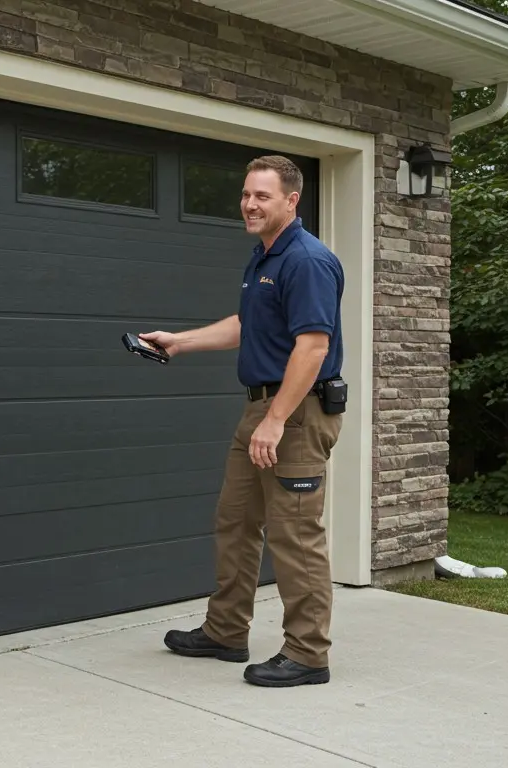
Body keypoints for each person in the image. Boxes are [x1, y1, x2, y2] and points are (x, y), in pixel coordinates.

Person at [140, 155, 345, 688]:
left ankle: (308, 654)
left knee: (295, 535)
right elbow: (246, 324)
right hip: (262, 409)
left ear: (291, 200)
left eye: (262, 196)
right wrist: (180, 342)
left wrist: (275, 420)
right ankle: (226, 630)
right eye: (246, 195)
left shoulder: (307, 260)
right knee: (235, 522)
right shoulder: (265, 258)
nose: (250, 205)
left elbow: (313, 347)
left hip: (294, 414)